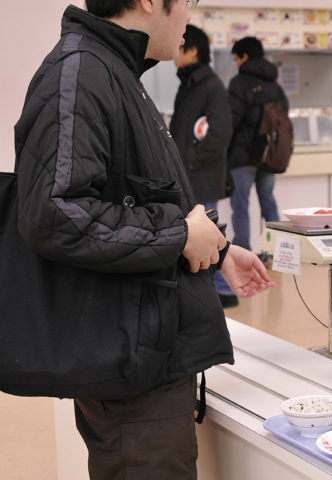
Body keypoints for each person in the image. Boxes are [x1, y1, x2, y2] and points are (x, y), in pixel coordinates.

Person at [13, 1, 276, 478]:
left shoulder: (114, 69)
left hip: (148, 346)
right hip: (131, 360)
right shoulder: (81, 71)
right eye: (189, 3)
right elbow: (54, 213)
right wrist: (178, 236)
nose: (188, 19)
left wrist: (214, 252)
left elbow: (131, 199)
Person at [170, 24, 238, 307]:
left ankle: (222, 290)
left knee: (211, 233)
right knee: (201, 234)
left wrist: (190, 159)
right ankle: (208, 289)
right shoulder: (189, 83)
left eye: (180, 45)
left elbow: (219, 135)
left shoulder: (211, 86)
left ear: (193, 50)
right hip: (189, 174)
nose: (175, 52)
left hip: (202, 175)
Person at [227, 36, 289, 253]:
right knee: (268, 203)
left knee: (241, 207)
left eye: (236, 58)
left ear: (244, 56)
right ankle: (278, 253)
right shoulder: (275, 85)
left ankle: (243, 253)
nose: (236, 63)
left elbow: (232, 120)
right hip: (268, 156)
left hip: (242, 157)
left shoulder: (238, 83)